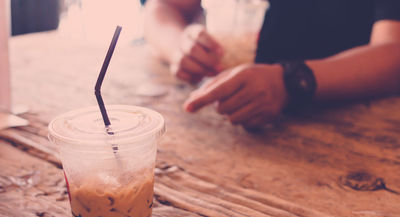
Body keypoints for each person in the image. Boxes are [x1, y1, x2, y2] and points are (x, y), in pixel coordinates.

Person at [144, 0, 400, 129]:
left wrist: (290, 81)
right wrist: (178, 45)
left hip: (347, 128)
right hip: (216, 125)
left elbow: (393, 54)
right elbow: (163, 7)